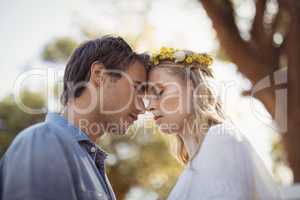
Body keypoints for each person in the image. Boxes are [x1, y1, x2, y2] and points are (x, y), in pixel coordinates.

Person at [0, 35, 150, 200]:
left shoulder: (96, 169)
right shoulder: (42, 141)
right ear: (99, 74)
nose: (143, 108)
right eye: (136, 88)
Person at [147, 47, 281, 200]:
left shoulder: (221, 141)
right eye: (148, 97)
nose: (149, 106)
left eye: (159, 92)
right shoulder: (192, 167)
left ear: (191, 87)